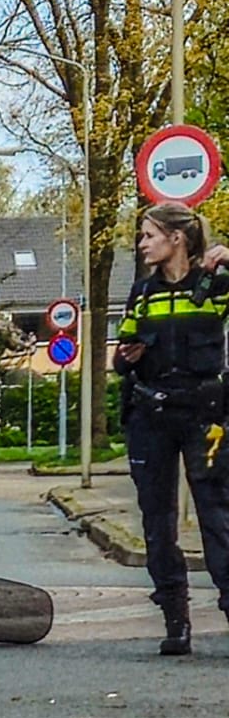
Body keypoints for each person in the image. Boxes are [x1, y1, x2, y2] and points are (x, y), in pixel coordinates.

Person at [116, 202, 229, 655]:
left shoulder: (216, 288)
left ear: (176, 238)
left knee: (217, 518)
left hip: (204, 417)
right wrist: (126, 358)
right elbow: (119, 356)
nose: (142, 243)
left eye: (148, 235)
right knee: (157, 522)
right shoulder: (142, 294)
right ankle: (175, 619)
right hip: (150, 417)